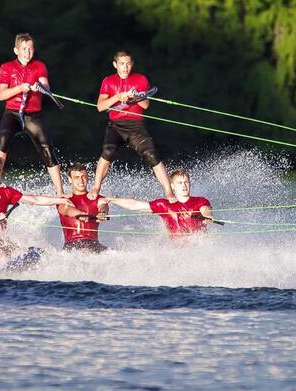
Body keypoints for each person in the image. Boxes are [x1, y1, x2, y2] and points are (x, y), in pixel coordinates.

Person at [88, 50, 176, 203]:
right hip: (116, 126)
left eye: (128, 63)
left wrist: (136, 95)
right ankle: (96, 188)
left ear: (132, 64)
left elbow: (146, 105)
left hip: (136, 126)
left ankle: (169, 193)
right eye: (122, 64)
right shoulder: (108, 81)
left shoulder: (140, 79)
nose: (125, 67)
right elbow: (100, 107)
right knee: (107, 151)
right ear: (115, 65)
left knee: (152, 155)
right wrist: (118, 96)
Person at [0, 153, 81, 265]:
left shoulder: (6, 192)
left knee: (34, 252)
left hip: (0, 241)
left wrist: (60, 200)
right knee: (2, 256)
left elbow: (34, 200)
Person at [0, 32, 65, 195]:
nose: (27, 52)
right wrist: (20, 88)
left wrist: (40, 87)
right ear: (16, 50)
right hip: (12, 113)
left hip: (33, 115)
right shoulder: (7, 67)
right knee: (2, 142)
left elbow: (46, 87)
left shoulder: (39, 66)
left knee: (48, 148)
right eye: (24, 49)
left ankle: (60, 192)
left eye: (30, 49)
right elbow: (1, 95)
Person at [106, 169, 213, 238]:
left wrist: (207, 215)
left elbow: (206, 209)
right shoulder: (164, 205)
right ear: (172, 186)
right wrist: (112, 199)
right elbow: (135, 205)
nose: (184, 185)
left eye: (186, 182)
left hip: (199, 249)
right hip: (178, 253)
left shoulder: (200, 201)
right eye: (180, 183)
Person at [57, 163, 109, 253]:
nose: (81, 180)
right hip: (72, 246)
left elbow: (104, 206)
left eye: (84, 176)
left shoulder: (96, 198)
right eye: (77, 177)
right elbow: (65, 209)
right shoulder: (64, 199)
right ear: (70, 179)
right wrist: (78, 214)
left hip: (94, 245)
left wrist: (102, 213)